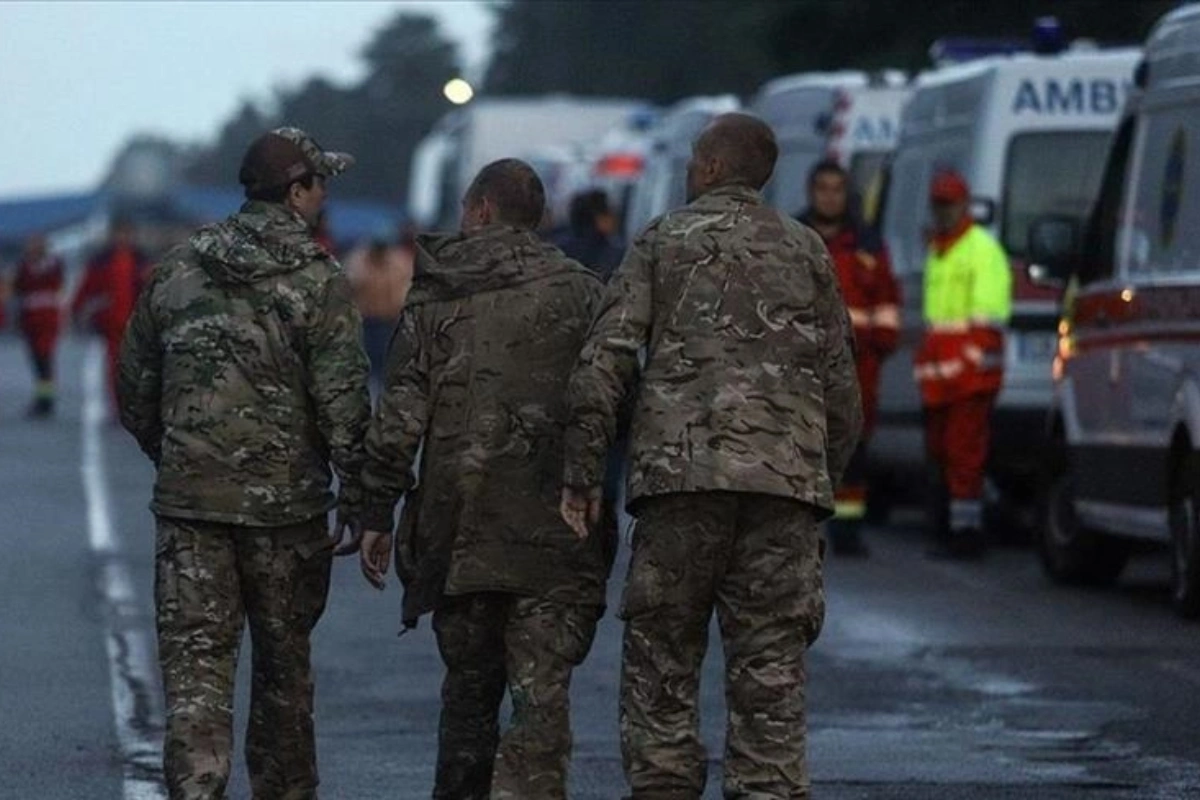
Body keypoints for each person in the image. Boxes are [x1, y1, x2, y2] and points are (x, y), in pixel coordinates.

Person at [560, 113, 861, 799]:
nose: (693, 170)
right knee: (771, 669)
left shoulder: (664, 242)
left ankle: (665, 786)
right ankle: (767, 788)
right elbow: (842, 383)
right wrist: (821, 479)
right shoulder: (805, 249)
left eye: (698, 159)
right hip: (783, 489)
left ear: (716, 169)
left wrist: (582, 472)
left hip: (679, 483)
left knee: (662, 660)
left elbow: (604, 358)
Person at [117, 127, 371, 800]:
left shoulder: (175, 271)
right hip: (285, 516)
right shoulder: (318, 282)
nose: (323, 199)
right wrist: (365, 504)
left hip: (191, 512)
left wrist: (179, 456)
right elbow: (344, 404)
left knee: (196, 684)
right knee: (285, 678)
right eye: (320, 185)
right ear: (296, 192)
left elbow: (136, 388)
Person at [359, 159, 615, 800]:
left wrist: (372, 513)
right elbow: (610, 400)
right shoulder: (584, 292)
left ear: (477, 211)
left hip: (458, 534)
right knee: (541, 705)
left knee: (468, 703)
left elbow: (400, 417)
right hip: (557, 537)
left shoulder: (438, 293)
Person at [798, 160, 901, 556]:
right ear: (811, 191)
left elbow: (887, 301)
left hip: (858, 366)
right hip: (800, 364)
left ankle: (849, 530)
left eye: (836, 188)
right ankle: (803, 530)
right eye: (822, 187)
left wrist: (881, 343)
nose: (829, 195)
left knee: (853, 450)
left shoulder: (867, 244)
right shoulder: (793, 236)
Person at [915, 170, 1012, 558]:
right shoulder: (941, 250)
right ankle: (956, 526)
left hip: (969, 375)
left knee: (963, 454)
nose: (942, 211)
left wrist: (966, 363)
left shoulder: (979, 250)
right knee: (943, 453)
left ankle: (966, 534)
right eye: (937, 204)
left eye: (948, 203)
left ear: (963, 204)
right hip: (944, 375)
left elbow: (987, 320)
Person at [72, 218, 149, 402]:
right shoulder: (101, 261)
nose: (122, 238)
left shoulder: (141, 260)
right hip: (111, 322)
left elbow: (153, 287)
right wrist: (77, 311)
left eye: (126, 233)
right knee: (115, 364)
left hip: (136, 321)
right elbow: (86, 288)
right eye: (119, 233)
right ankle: (119, 403)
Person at [344, 227, 413, 387]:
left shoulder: (400, 262)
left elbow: (406, 291)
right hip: (366, 322)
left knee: (387, 367)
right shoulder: (359, 260)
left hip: (390, 323)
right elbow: (348, 287)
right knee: (364, 366)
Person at [13, 233, 66, 417]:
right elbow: (18, 289)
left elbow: (58, 284)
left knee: (44, 358)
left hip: (47, 317)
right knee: (36, 359)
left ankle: (46, 400)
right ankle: (43, 397)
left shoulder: (53, 265)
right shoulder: (24, 266)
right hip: (30, 318)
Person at [554, 188, 624, 282]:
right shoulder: (612, 254)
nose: (615, 219)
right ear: (598, 218)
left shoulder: (557, 247)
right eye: (609, 213)